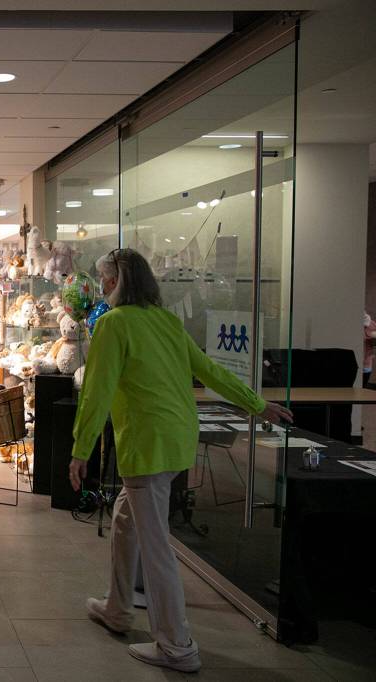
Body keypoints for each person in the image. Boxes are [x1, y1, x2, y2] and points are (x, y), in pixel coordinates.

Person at [69, 248, 293, 673]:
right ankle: (117, 608)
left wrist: (81, 451)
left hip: (147, 444)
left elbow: (96, 391)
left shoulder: (113, 324)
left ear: (118, 282)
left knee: (156, 547)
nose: (101, 287)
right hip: (176, 439)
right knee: (125, 519)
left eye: (104, 279)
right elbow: (210, 370)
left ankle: (176, 644)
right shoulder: (166, 321)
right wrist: (256, 404)